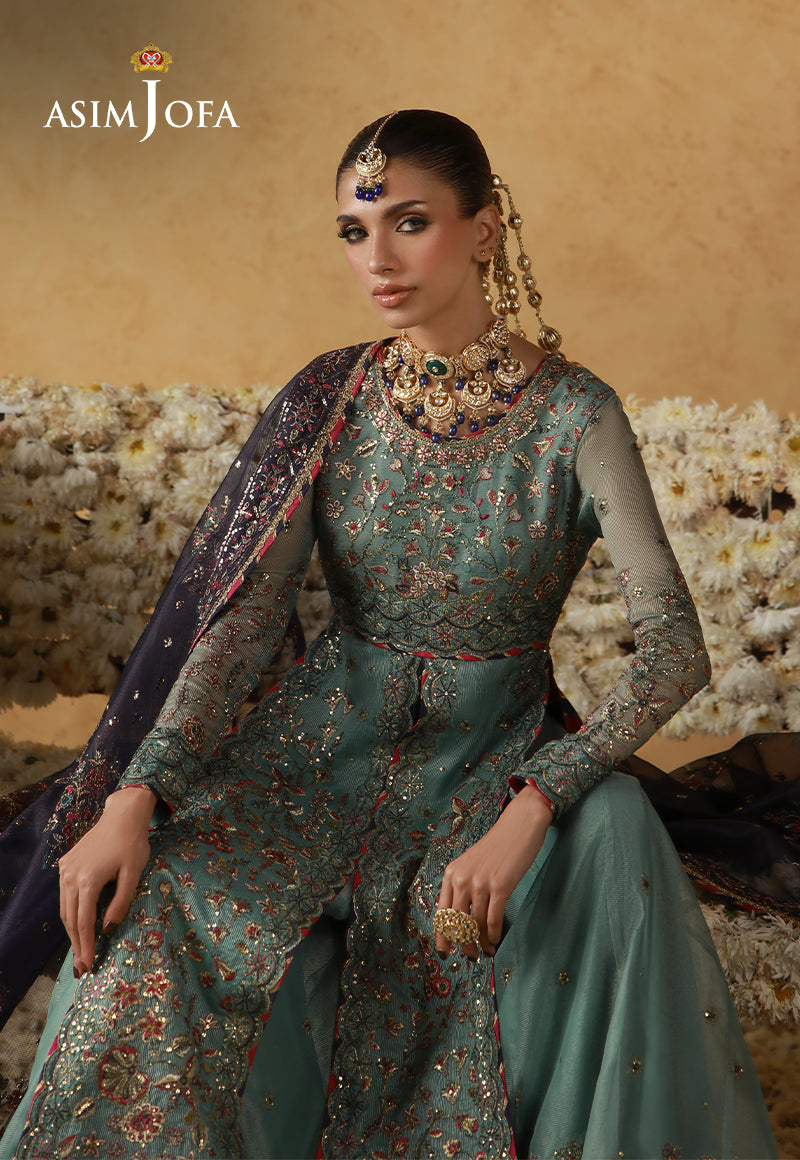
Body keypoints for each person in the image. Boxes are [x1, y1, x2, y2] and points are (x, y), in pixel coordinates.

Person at [0, 110, 776, 1159]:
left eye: (409, 222)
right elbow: (245, 625)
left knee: (609, 831)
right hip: (316, 750)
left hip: (490, 754)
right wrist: (139, 795)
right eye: (353, 231)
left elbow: (674, 645)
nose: (377, 258)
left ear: (484, 228)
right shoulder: (335, 397)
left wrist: (534, 800)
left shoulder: (575, 417)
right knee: (160, 896)